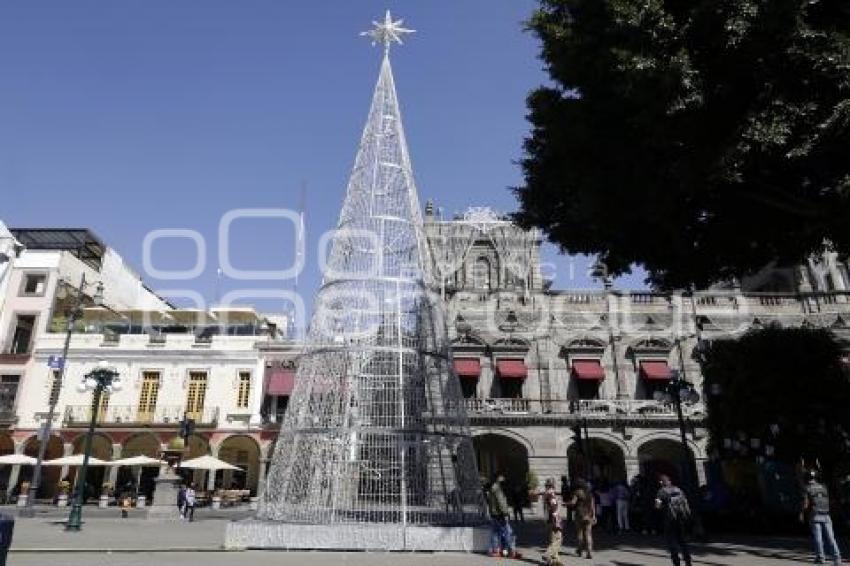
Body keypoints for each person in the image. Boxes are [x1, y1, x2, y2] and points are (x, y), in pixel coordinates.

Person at [801, 470, 842, 565]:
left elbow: (805, 504)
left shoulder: (807, 488)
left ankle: (821, 558)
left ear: (807, 478)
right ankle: (837, 558)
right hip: (826, 514)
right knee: (831, 538)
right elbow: (828, 500)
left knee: (818, 538)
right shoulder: (824, 487)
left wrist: (802, 513)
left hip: (815, 515)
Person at [655, 474, 692, 566]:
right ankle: (688, 562)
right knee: (682, 541)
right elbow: (685, 502)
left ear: (661, 482)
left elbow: (657, 506)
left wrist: (660, 505)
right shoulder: (678, 489)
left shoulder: (661, 492)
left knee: (672, 542)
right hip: (680, 518)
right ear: (669, 481)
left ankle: (676, 563)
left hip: (669, 520)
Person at [486, 474, 521, 558]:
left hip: (494, 514)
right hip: (500, 514)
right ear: (499, 480)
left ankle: (496, 551)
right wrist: (505, 513)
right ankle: (512, 551)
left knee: (495, 533)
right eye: (502, 480)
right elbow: (501, 501)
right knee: (508, 532)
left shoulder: (491, 488)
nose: (504, 482)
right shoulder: (498, 489)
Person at [566, 478, 595, 559]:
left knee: (579, 533)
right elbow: (593, 505)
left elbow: (573, 502)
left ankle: (580, 550)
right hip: (588, 514)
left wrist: (566, 504)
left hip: (579, 514)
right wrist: (594, 515)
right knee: (588, 534)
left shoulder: (577, 492)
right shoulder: (589, 493)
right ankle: (589, 552)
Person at [542, 478, 564, 565]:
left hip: (549, 519)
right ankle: (548, 554)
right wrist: (557, 520)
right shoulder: (551, 494)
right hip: (554, 518)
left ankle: (554, 561)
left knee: (553, 539)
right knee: (558, 538)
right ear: (552, 485)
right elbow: (553, 506)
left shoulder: (546, 493)